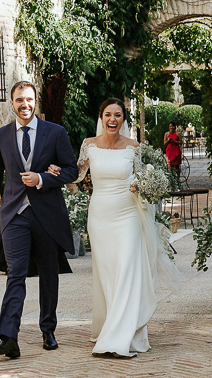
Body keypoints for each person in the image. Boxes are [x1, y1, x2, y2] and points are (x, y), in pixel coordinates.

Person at [49, 98, 181, 357]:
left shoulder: (133, 147)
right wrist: (56, 172)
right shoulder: (89, 145)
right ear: (101, 118)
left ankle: (119, 337)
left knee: (126, 271)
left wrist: (148, 187)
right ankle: (110, 325)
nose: (112, 119)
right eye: (108, 114)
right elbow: (77, 174)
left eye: (118, 115)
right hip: (100, 216)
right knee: (107, 273)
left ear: (123, 119)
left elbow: (140, 178)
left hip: (128, 214)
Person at [0, 81, 79, 359]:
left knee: (49, 274)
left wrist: (43, 179)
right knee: (16, 274)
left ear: (35, 102)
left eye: (29, 99)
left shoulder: (55, 132)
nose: (25, 105)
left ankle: (48, 329)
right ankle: (9, 337)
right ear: (11, 103)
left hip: (47, 214)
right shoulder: (2, 135)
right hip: (14, 215)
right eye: (19, 100)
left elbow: (71, 171)